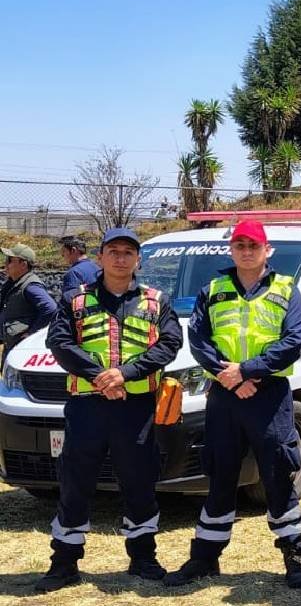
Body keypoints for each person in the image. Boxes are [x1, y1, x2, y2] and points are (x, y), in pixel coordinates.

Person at [164, 220, 301, 589]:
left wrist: (247, 371)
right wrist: (228, 376)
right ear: (231, 250)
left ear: (267, 251)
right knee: (220, 475)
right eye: (240, 245)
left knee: (278, 475)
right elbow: (197, 338)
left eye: (254, 245)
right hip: (224, 397)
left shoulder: (286, 289)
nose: (246, 251)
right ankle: (204, 559)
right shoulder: (213, 289)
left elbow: (293, 340)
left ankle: (294, 557)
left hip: (269, 395)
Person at [36, 227, 183, 592]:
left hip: (136, 409)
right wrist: (101, 375)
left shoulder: (156, 301)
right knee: (75, 482)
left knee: (139, 482)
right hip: (87, 408)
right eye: (113, 251)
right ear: (100, 257)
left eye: (128, 252)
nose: (120, 258)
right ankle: (65, 562)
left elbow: (170, 343)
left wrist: (125, 374)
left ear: (138, 259)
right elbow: (59, 342)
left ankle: (143, 557)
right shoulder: (74, 300)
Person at [0, 242, 57, 365]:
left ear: (23, 264)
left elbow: (50, 308)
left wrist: (32, 333)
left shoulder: (30, 286)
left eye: (10, 260)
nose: (6, 264)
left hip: (20, 346)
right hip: (12, 343)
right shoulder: (14, 283)